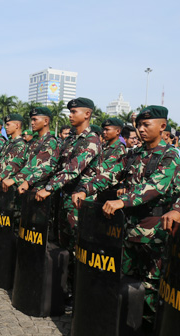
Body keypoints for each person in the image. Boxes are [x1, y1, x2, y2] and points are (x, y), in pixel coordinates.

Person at [72, 105, 180, 327]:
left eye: (146, 125)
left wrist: (123, 200)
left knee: (152, 286)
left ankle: (148, 327)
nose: (141, 129)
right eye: (139, 125)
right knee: (124, 281)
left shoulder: (171, 155)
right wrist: (86, 189)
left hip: (154, 232)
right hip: (128, 228)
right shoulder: (135, 154)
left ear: (162, 126)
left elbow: (156, 185)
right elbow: (110, 174)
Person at [35, 97, 102, 308]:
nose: (70, 115)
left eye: (74, 112)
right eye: (70, 112)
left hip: (79, 203)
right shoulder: (71, 139)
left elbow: (73, 169)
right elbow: (55, 165)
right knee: (63, 246)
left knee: (77, 248)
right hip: (64, 200)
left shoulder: (91, 140)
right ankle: (63, 289)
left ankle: (78, 295)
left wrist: (48, 188)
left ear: (87, 114)